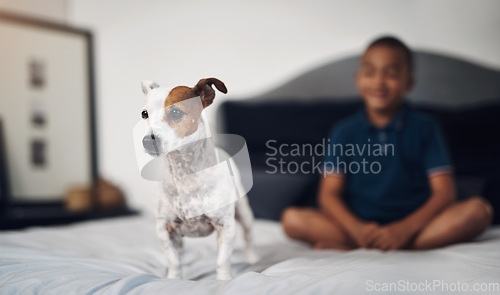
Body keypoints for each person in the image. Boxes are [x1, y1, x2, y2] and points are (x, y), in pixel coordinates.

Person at [281, 36, 493, 251]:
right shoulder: (344, 131)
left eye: (390, 74)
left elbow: (444, 193)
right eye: (370, 72)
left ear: (408, 83)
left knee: (478, 211)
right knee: (292, 219)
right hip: (358, 224)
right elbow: (328, 195)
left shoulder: (425, 127)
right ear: (358, 79)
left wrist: (403, 229)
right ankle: (375, 242)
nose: (378, 82)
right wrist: (357, 229)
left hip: (417, 225)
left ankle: (372, 245)